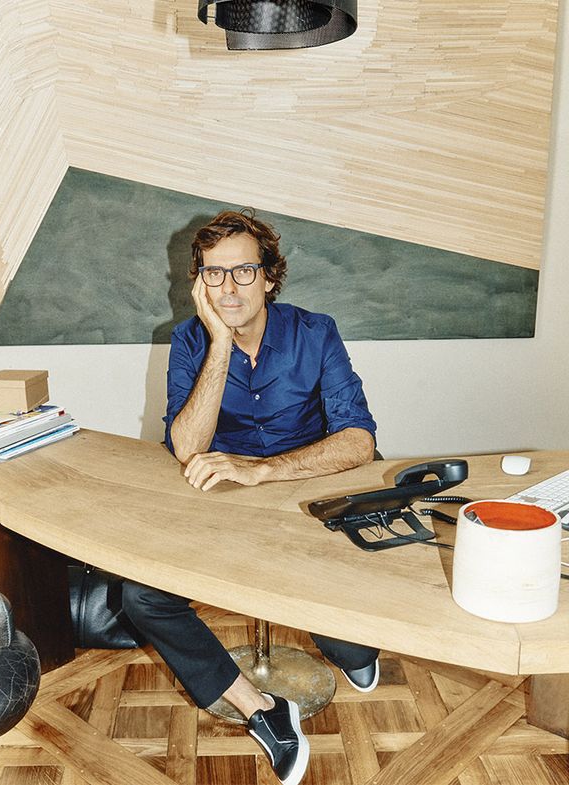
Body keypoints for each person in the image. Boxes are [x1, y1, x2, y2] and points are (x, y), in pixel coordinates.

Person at [124, 208, 380, 785]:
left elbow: (360, 442)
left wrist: (264, 470)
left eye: (243, 272)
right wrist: (218, 342)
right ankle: (262, 710)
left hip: (311, 487)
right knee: (142, 594)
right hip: (224, 497)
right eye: (214, 274)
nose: (229, 288)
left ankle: (345, 639)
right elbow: (187, 447)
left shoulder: (317, 332)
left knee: (352, 644)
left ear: (269, 277)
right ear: (198, 283)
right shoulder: (190, 340)